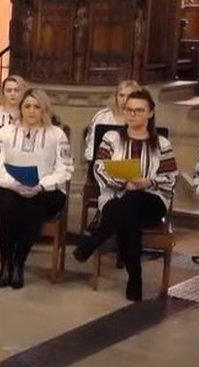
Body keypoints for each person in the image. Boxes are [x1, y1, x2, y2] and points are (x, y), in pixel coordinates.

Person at [73, 90, 177, 301]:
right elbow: (99, 169)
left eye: (139, 110)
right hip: (115, 196)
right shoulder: (111, 139)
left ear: (150, 113)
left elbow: (170, 178)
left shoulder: (162, 144)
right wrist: (123, 182)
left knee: (134, 199)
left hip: (153, 200)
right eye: (129, 110)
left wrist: (148, 182)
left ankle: (94, 240)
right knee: (128, 213)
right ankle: (135, 277)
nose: (133, 114)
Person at [0, 89, 73, 289]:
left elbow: (65, 168)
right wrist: (15, 185)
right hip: (11, 186)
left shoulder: (56, 134)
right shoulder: (5, 131)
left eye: (37, 107)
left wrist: (42, 185)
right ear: (21, 108)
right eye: (27, 106)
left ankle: (19, 261)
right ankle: (6, 262)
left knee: (32, 209)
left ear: (44, 109)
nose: (32, 111)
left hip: (46, 190)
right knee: (7, 206)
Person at [83, 79, 141, 161]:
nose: (125, 100)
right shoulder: (102, 117)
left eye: (129, 96)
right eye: (121, 95)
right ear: (116, 97)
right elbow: (91, 149)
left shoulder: (143, 118)